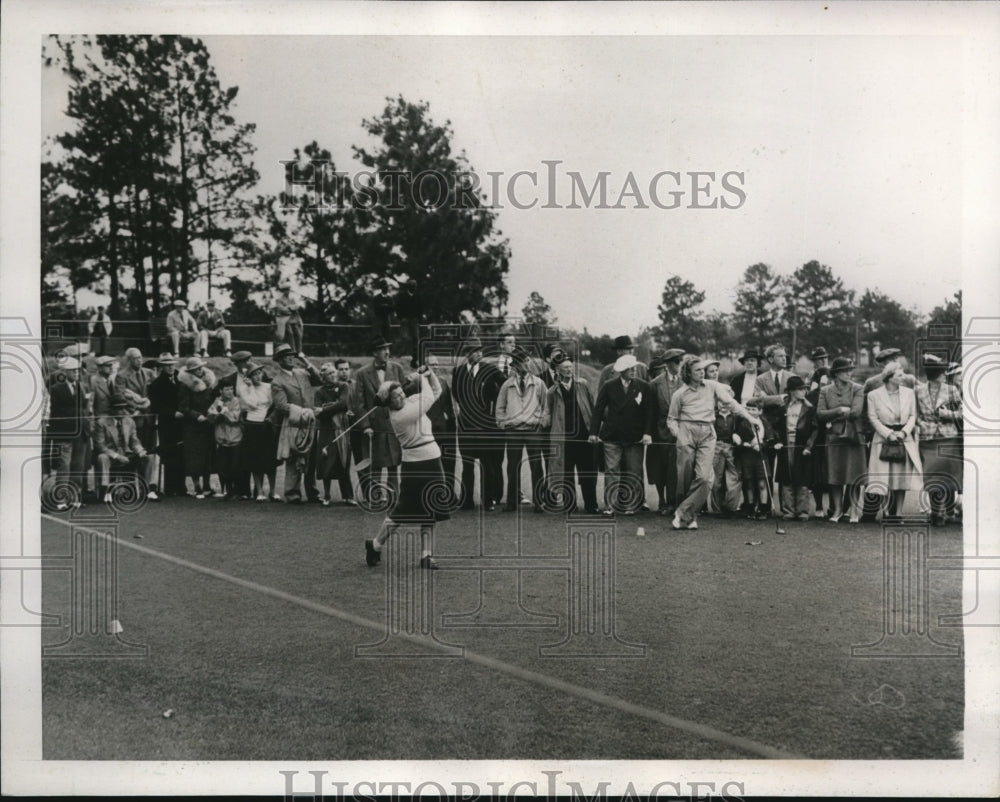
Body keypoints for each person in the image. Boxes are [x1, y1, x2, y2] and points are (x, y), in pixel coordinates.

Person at [365, 365, 449, 570]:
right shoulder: (400, 417)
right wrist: (421, 379)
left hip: (433, 459)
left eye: (401, 392)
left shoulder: (410, 402)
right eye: (395, 396)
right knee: (402, 511)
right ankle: (375, 544)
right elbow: (428, 399)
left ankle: (426, 556)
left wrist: (430, 376)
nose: (401, 397)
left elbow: (436, 393)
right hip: (415, 465)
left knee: (431, 509)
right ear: (388, 402)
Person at [668, 356, 764, 530]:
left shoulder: (712, 386)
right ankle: (689, 516)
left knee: (705, 478)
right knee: (685, 478)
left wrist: (750, 418)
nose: (702, 372)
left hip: (707, 433)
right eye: (698, 370)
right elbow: (672, 419)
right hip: (686, 432)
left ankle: (683, 513)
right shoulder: (679, 394)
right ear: (687, 372)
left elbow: (732, 403)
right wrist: (678, 433)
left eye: (703, 369)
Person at [589, 353, 652, 516]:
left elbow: (649, 413)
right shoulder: (609, 386)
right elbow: (598, 410)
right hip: (612, 436)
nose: (634, 371)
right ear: (622, 371)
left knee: (634, 470)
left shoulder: (643, 386)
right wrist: (593, 433)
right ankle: (610, 505)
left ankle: (632, 504)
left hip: (635, 436)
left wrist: (647, 433)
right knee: (611, 470)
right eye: (630, 369)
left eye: (635, 368)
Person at [452, 336, 505, 510]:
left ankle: (487, 500)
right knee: (467, 464)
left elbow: (503, 386)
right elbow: (457, 395)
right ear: (467, 354)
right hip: (466, 426)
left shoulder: (490, 369)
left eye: (480, 350)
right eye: (475, 351)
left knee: (486, 464)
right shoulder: (458, 372)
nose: (479, 354)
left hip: (485, 426)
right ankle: (466, 501)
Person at [542, 357, 599, 514]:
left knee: (587, 472)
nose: (569, 369)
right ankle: (570, 505)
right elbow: (549, 411)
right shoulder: (552, 391)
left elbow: (593, 407)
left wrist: (594, 431)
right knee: (566, 473)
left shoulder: (583, 384)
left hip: (584, 436)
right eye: (565, 367)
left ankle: (591, 505)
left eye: (570, 366)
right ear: (558, 371)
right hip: (564, 438)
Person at [353, 337, 407, 506]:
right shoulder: (362, 373)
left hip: (394, 424)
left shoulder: (397, 369)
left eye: (388, 349)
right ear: (374, 353)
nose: (387, 352)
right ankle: (376, 498)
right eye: (383, 349)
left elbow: (405, 396)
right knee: (375, 464)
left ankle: (394, 498)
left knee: (393, 463)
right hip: (374, 427)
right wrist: (366, 426)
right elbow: (359, 404)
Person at [269, 344, 324, 503]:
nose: (291, 357)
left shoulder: (302, 372)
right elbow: (280, 406)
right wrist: (303, 412)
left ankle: (312, 492)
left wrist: (305, 361)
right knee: (294, 457)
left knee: (311, 457)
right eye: (287, 356)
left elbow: (319, 380)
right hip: (294, 422)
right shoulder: (277, 381)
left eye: (292, 355)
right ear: (279, 360)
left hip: (310, 422)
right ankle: (292, 493)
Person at [866, 361, 923, 518]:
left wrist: (904, 432)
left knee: (901, 478)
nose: (903, 377)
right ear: (890, 377)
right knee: (884, 477)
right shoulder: (874, 395)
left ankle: (898, 513)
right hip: (883, 440)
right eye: (899, 375)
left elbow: (913, 415)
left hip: (904, 439)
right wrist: (888, 433)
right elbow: (872, 417)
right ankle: (885, 511)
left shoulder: (909, 393)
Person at [496, 347, 548, 513]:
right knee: (512, 466)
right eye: (523, 362)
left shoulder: (539, 383)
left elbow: (547, 406)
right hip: (513, 430)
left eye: (527, 360)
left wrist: (542, 422)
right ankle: (512, 502)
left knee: (536, 466)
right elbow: (500, 407)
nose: (527, 364)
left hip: (533, 429)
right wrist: (503, 423)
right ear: (516, 365)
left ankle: (539, 502)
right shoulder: (507, 384)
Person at [816, 357, 867, 523]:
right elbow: (820, 414)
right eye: (845, 370)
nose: (849, 373)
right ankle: (837, 510)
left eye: (850, 370)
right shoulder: (825, 390)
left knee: (853, 475)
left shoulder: (858, 389)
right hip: (834, 437)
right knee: (835, 475)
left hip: (853, 437)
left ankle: (853, 511)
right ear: (836, 373)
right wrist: (839, 410)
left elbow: (856, 412)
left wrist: (835, 414)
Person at [916, 354, 962, 526]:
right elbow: (916, 414)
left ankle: (949, 509)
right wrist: (922, 423)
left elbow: (961, 413)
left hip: (948, 437)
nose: (945, 374)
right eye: (942, 372)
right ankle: (936, 513)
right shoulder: (918, 390)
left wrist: (946, 414)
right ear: (935, 374)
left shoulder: (952, 390)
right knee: (932, 476)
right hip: (927, 439)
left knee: (949, 476)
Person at [45, 355, 90, 510]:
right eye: (72, 371)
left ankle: (75, 498)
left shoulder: (80, 387)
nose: (76, 374)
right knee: (64, 466)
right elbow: (56, 412)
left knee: (78, 466)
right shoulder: (55, 389)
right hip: (64, 433)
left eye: (77, 371)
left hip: (80, 432)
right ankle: (61, 499)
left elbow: (84, 407)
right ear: (64, 372)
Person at [93, 393, 155, 502]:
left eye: (124, 408)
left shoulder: (129, 421)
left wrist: (140, 450)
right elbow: (100, 446)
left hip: (128, 455)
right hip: (111, 457)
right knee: (102, 457)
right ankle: (106, 490)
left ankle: (148, 490)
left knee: (149, 457)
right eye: (119, 409)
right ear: (111, 410)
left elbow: (134, 441)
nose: (123, 411)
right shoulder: (101, 423)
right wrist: (117, 456)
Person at [646, 348, 685, 515]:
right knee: (660, 467)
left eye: (681, 361)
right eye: (676, 362)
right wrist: (648, 432)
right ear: (668, 364)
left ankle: (674, 502)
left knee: (676, 468)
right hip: (660, 431)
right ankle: (663, 501)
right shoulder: (655, 384)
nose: (679, 365)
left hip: (682, 430)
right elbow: (650, 412)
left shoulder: (686, 381)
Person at [774, 375, 819, 521]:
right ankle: (788, 511)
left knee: (803, 479)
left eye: (805, 389)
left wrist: (809, 446)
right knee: (786, 478)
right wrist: (778, 441)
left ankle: (803, 511)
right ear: (792, 391)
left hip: (802, 447)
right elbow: (775, 427)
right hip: (786, 446)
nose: (804, 392)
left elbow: (815, 429)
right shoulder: (782, 407)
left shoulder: (809, 408)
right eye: (800, 389)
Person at [236, 361, 279, 502]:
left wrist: (270, 418)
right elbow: (253, 404)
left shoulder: (268, 386)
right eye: (254, 374)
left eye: (259, 373)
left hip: (267, 425)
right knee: (255, 459)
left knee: (271, 459)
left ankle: (273, 491)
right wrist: (250, 388)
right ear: (248, 377)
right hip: (252, 425)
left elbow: (273, 404)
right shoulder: (244, 388)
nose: (258, 376)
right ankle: (259, 491)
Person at [313, 362, 354, 506]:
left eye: (333, 372)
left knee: (344, 461)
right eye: (329, 373)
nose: (333, 375)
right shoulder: (319, 391)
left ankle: (348, 496)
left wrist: (325, 408)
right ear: (323, 377)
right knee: (326, 461)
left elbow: (343, 403)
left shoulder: (343, 386)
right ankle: (327, 495)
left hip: (342, 428)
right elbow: (317, 413)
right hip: (326, 430)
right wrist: (330, 407)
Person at [177, 355, 218, 498]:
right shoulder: (185, 386)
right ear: (191, 371)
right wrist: (196, 416)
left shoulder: (208, 383)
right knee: (194, 456)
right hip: (192, 427)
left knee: (208, 454)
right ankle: (197, 487)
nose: (200, 370)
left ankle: (207, 486)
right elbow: (183, 407)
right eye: (196, 369)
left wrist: (213, 412)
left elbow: (212, 400)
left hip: (207, 424)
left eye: (201, 367)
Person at [146, 353, 186, 497]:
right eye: (167, 365)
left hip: (181, 422)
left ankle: (181, 488)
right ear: (162, 367)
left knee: (181, 454)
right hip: (167, 423)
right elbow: (156, 406)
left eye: (172, 364)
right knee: (170, 454)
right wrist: (172, 413)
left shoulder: (180, 378)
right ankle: (170, 488)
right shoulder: (156, 384)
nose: (170, 367)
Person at [425, 354, 458, 509]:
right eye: (432, 364)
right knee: (431, 466)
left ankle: (449, 496)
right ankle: (432, 498)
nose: (435, 367)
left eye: (436, 364)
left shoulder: (444, 382)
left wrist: (452, 424)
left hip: (445, 431)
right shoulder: (420, 385)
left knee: (449, 464)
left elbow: (449, 407)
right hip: (428, 432)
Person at [733, 405, 777, 520]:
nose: (750, 412)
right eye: (748, 409)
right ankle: (750, 508)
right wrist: (743, 444)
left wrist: (762, 445)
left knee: (762, 482)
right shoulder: (743, 423)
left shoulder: (765, 423)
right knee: (749, 483)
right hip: (747, 456)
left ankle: (763, 509)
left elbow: (771, 439)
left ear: (760, 411)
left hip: (761, 455)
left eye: (754, 409)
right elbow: (737, 438)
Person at [708, 390, 743, 517]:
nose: (723, 404)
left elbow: (742, 430)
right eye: (720, 401)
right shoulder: (713, 416)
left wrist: (737, 436)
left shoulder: (736, 417)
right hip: (716, 447)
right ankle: (716, 508)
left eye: (726, 401)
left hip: (731, 448)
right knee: (716, 480)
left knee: (733, 477)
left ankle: (730, 507)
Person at [207, 381, 244, 499]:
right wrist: (218, 412)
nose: (230, 392)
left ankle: (235, 491)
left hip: (235, 438)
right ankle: (225, 490)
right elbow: (210, 418)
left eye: (231, 389)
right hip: (221, 438)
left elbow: (235, 418)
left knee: (235, 466)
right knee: (222, 466)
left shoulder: (237, 401)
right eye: (227, 389)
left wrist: (225, 411)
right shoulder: (217, 401)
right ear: (220, 391)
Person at [273, 286, 304, 353]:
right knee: (290, 334)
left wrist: (289, 307)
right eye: (286, 290)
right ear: (283, 291)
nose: (287, 291)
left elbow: (296, 306)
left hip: (294, 319)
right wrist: (290, 308)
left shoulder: (291, 299)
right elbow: (281, 309)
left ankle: (299, 351)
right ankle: (292, 350)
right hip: (285, 319)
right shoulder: (279, 300)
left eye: (288, 290)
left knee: (298, 334)